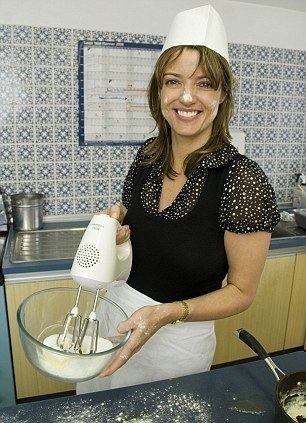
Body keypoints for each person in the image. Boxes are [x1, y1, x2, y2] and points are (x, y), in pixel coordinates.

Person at [77, 4, 280, 394]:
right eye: (173, 81)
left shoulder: (243, 179)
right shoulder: (147, 155)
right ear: (159, 90)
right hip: (111, 322)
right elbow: (142, 245)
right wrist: (118, 237)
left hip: (177, 343)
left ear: (223, 93)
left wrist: (170, 312)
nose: (187, 96)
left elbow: (241, 292)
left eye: (204, 83)